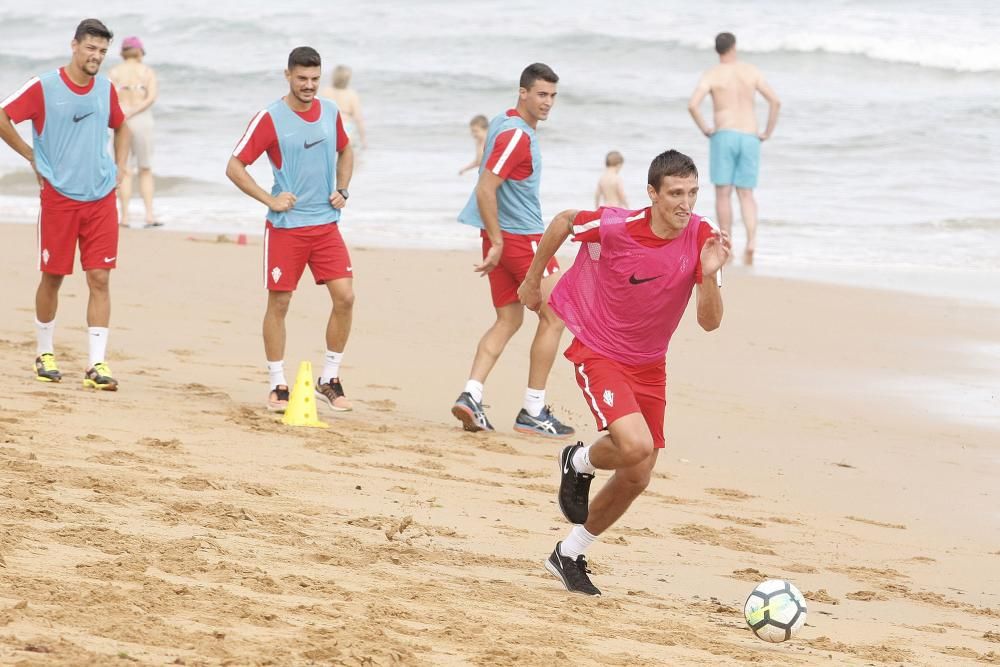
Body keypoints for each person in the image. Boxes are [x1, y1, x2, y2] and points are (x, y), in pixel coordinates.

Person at [518, 150, 731, 595]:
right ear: (652, 194)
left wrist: (709, 276)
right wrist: (533, 279)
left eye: (693, 193)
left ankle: (570, 553)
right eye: (675, 193)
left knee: (638, 473)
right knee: (634, 446)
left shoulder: (702, 237)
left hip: (651, 364)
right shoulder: (616, 226)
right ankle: (577, 461)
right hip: (602, 352)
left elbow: (709, 322)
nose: (686, 204)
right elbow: (562, 221)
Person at [0, 18, 130, 391]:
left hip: (101, 197)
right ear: (74, 46)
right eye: (91, 48)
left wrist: (121, 167)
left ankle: (97, 363)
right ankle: (44, 352)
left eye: (103, 51)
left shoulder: (105, 88)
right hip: (59, 197)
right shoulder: (44, 86)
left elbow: (122, 126)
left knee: (100, 278)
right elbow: (3, 115)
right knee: (53, 276)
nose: (96, 56)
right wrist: (30, 155)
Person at [226, 46, 355, 413]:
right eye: (302, 79)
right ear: (288, 76)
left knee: (345, 297)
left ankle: (329, 378)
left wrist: (343, 189)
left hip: (326, 225)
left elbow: (346, 151)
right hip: (287, 228)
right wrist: (269, 199)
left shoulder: (330, 112)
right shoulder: (270, 117)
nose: (309, 85)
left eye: (315, 79)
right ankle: (277, 383)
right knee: (280, 303)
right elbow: (234, 166)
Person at [451, 62, 574, 439]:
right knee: (556, 316)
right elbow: (486, 187)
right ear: (522, 92)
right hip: (521, 240)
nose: (547, 102)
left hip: (501, 239)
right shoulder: (517, 136)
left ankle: (471, 395)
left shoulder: (501, 122)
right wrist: (501, 242)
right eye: (541, 94)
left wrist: (493, 242)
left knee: (509, 319)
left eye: (552, 95)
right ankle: (533, 411)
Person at [688, 32, 780, 265]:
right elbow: (775, 101)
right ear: (734, 47)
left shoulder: (712, 74)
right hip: (750, 136)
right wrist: (767, 132)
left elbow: (692, 105)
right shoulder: (751, 71)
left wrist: (706, 129)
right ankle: (751, 242)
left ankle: (726, 241)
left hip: (724, 135)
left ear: (717, 50)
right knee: (747, 194)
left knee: (723, 193)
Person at [108, 35, 159, 228]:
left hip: (121, 120)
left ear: (123, 52)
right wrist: (135, 110)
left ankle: (125, 217)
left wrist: (124, 112)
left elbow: (110, 97)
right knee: (145, 169)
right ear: (140, 51)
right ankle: (149, 215)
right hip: (142, 119)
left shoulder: (114, 72)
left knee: (124, 170)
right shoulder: (146, 71)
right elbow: (151, 97)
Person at [319, 65, 366, 149]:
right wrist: (363, 139)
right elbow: (358, 118)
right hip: (346, 127)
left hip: (329, 126)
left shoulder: (326, 91)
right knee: (348, 154)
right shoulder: (351, 94)